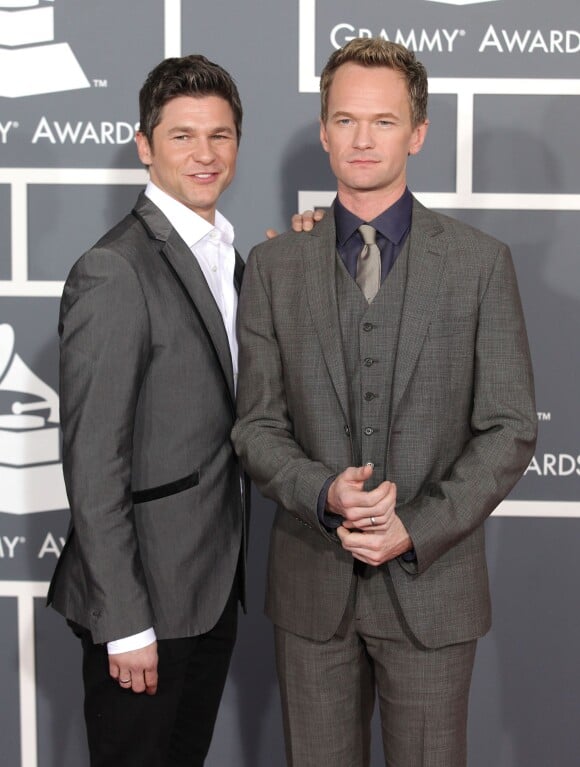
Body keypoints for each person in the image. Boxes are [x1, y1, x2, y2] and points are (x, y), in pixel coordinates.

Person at [232, 38, 537, 767]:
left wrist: (415, 526)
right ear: (323, 130)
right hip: (312, 589)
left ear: (419, 132)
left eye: (384, 121)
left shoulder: (479, 264)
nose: (362, 139)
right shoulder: (273, 267)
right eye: (345, 120)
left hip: (433, 588)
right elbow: (257, 424)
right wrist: (321, 490)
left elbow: (510, 427)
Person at [47, 53, 312, 767]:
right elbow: (93, 459)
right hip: (140, 601)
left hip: (212, 587)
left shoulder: (231, 257)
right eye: (183, 136)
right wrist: (124, 620)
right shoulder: (117, 269)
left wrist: (308, 258)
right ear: (145, 146)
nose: (205, 154)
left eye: (220, 136)